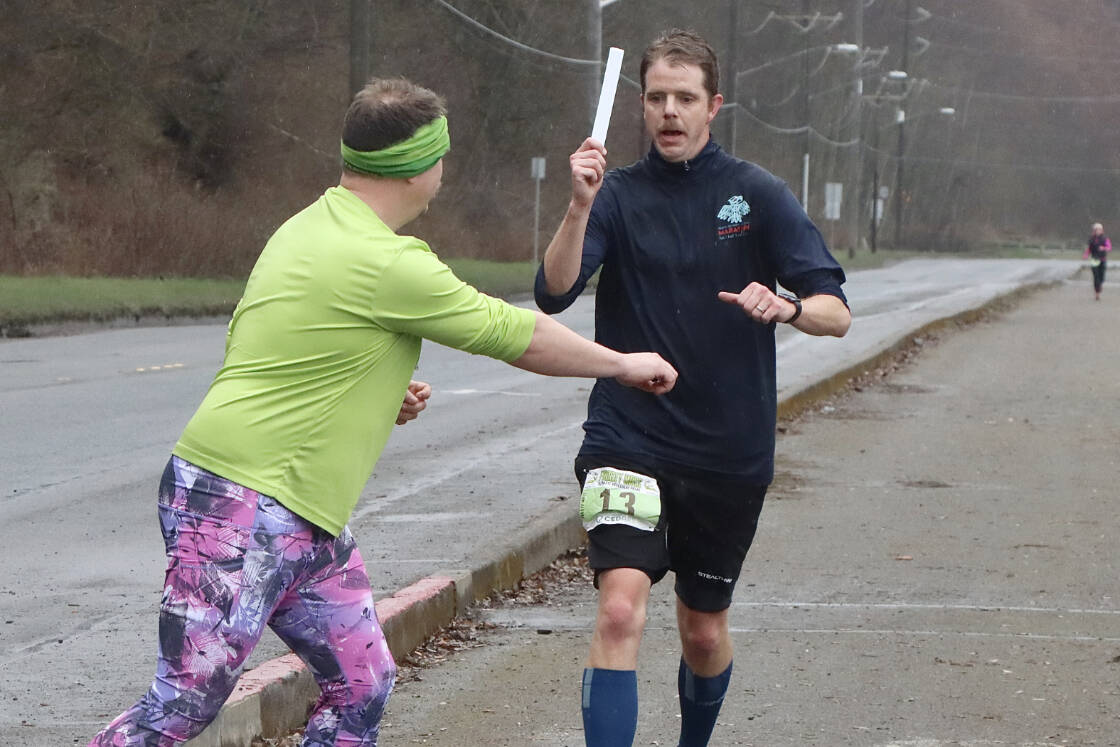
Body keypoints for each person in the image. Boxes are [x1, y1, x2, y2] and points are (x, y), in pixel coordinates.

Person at [89, 77, 677, 747]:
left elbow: (276, 342)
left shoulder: (307, 225)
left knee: (362, 682)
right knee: (185, 701)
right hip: (241, 506)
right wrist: (623, 363)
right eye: (442, 156)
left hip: (302, 518)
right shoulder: (390, 261)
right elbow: (515, 333)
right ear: (420, 165)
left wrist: (372, 388)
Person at [535, 30, 851, 747]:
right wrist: (578, 204)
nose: (669, 112)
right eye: (656, 98)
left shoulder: (757, 194)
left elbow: (837, 311)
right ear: (640, 107)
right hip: (628, 433)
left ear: (714, 106)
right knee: (619, 610)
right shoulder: (615, 195)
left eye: (684, 98)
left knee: (703, 631)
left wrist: (790, 306)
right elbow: (554, 293)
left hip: (727, 449)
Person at [1084, 222, 1112, 300]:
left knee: (1102, 277)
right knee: (1096, 277)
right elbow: (1089, 249)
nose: (1098, 231)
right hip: (1094, 260)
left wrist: (1104, 248)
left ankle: (1100, 285)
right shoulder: (1091, 239)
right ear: (1094, 230)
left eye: (1100, 229)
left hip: (1103, 259)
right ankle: (1097, 293)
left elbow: (1109, 248)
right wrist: (1086, 255)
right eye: (1096, 230)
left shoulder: (1105, 239)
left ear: (1102, 230)